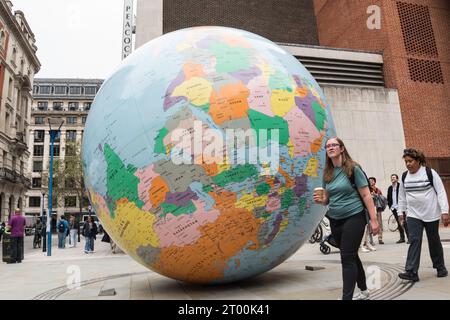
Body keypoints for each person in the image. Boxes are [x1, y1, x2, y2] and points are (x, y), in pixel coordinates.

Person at [313, 137, 379, 300]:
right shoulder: (327, 172)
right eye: (328, 146)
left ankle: (346, 297)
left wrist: (374, 219)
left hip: (354, 217)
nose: (330, 148)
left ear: (342, 148)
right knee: (351, 255)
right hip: (335, 219)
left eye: (334, 145)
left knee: (346, 257)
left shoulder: (353, 168)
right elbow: (327, 199)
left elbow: (366, 194)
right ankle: (364, 290)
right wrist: (322, 200)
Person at [398, 148, 449, 282]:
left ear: (418, 161)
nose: (408, 164)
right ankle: (411, 271)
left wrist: (444, 211)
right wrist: (401, 212)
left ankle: (440, 267)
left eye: (410, 161)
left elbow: (441, 192)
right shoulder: (404, 176)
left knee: (434, 240)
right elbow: (401, 196)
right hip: (414, 214)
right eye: (406, 161)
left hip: (431, 213)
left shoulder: (429, 173)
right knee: (414, 240)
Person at [387, 174, 408, 243]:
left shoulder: (400, 186)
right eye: (391, 178)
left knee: (404, 222)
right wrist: (390, 206)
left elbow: (404, 195)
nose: (392, 179)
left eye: (394, 177)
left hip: (400, 207)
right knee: (399, 223)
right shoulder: (390, 188)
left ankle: (409, 238)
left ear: (397, 179)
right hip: (394, 208)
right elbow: (388, 198)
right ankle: (402, 238)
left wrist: (404, 205)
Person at [369, 177, 385, 245]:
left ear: (374, 182)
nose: (370, 182)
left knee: (379, 223)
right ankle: (370, 239)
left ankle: (380, 238)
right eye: (369, 181)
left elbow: (381, 197)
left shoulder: (378, 190)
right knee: (369, 224)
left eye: (372, 181)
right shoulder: (367, 190)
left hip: (378, 209)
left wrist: (376, 195)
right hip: (370, 209)